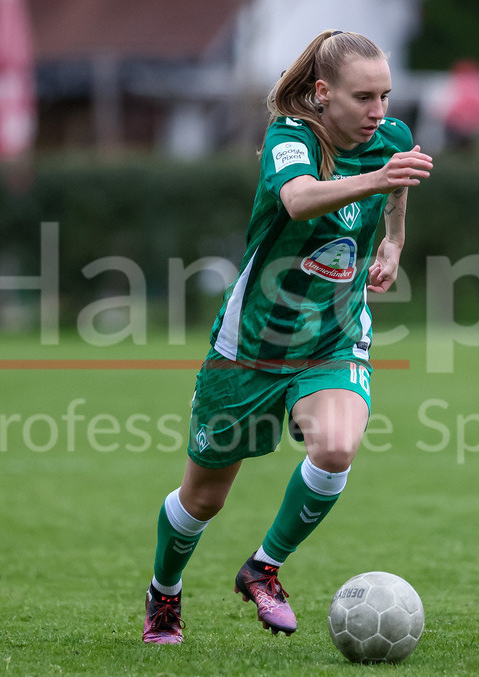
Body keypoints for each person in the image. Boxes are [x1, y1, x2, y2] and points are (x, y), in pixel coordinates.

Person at [142, 30, 433, 644]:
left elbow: (397, 179)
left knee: (335, 447)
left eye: (386, 96)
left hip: (333, 334)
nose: (378, 112)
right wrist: (379, 182)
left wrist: (393, 240)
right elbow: (300, 201)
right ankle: (164, 595)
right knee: (204, 499)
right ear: (324, 94)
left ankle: (264, 568)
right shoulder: (292, 137)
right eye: (363, 98)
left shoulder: (389, 139)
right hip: (249, 346)